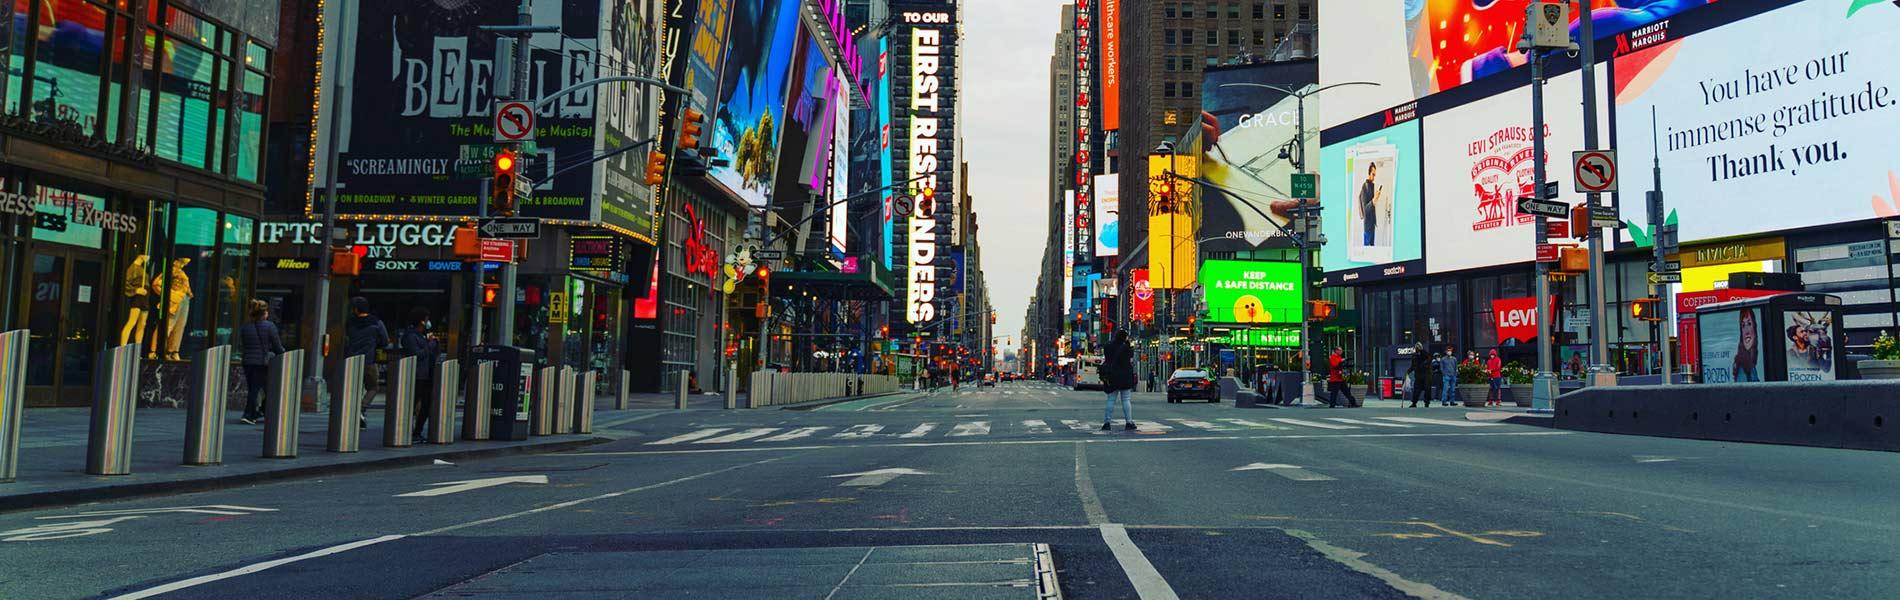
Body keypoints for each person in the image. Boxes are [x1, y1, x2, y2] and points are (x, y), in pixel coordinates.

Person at [237, 299, 286, 425]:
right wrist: (283, 353)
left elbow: (242, 344)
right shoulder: (269, 326)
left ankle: (259, 411)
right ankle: (249, 414)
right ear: (264, 313)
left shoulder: (245, 326)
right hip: (261, 363)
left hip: (247, 362)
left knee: (254, 388)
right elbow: (277, 345)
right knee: (262, 388)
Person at [343, 297, 389, 429]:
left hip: (351, 361)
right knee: (373, 387)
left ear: (356, 309)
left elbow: (346, 339)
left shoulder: (350, 323)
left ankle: (353, 414)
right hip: (369, 361)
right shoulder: (376, 322)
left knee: (352, 389)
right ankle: (361, 409)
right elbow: (385, 341)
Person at [398, 307, 442, 442]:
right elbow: (416, 354)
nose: (428, 322)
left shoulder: (422, 335)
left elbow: (434, 353)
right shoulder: (410, 336)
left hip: (427, 375)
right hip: (417, 375)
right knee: (412, 404)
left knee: (426, 404)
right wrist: (430, 345)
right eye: (427, 319)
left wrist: (434, 344)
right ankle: (405, 431)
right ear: (422, 321)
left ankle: (417, 432)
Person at [1101, 331, 1138, 430]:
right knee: (1126, 399)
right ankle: (1129, 422)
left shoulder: (1108, 347)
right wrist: (1128, 344)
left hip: (1112, 375)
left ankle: (1107, 423)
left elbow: (1107, 358)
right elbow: (1131, 356)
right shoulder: (1126, 347)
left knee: (1111, 400)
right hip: (1125, 376)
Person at [1359, 162, 1384, 246]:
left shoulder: (1373, 185)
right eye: (1373, 174)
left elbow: (1373, 205)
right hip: (1367, 227)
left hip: (1373, 225)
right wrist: (1374, 199)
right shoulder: (1364, 187)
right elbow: (1365, 209)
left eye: (1375, 175)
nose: (1374, 177)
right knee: (1366, 250)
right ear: (1369, 173)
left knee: (1372, 248)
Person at [1408, 343, 1431, 408]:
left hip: (1426, 375)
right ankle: (1414, 403)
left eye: (1418, 347)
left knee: (1427, 389)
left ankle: (1427, 403)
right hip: (1418, 375)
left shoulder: (1425, 354)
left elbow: (1429, 359)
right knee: (1416, 390)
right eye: (1416, 347)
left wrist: (1424, 365)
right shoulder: (1414, 356)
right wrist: (1408, 371)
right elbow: (1413, 366)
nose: (1417, 348)